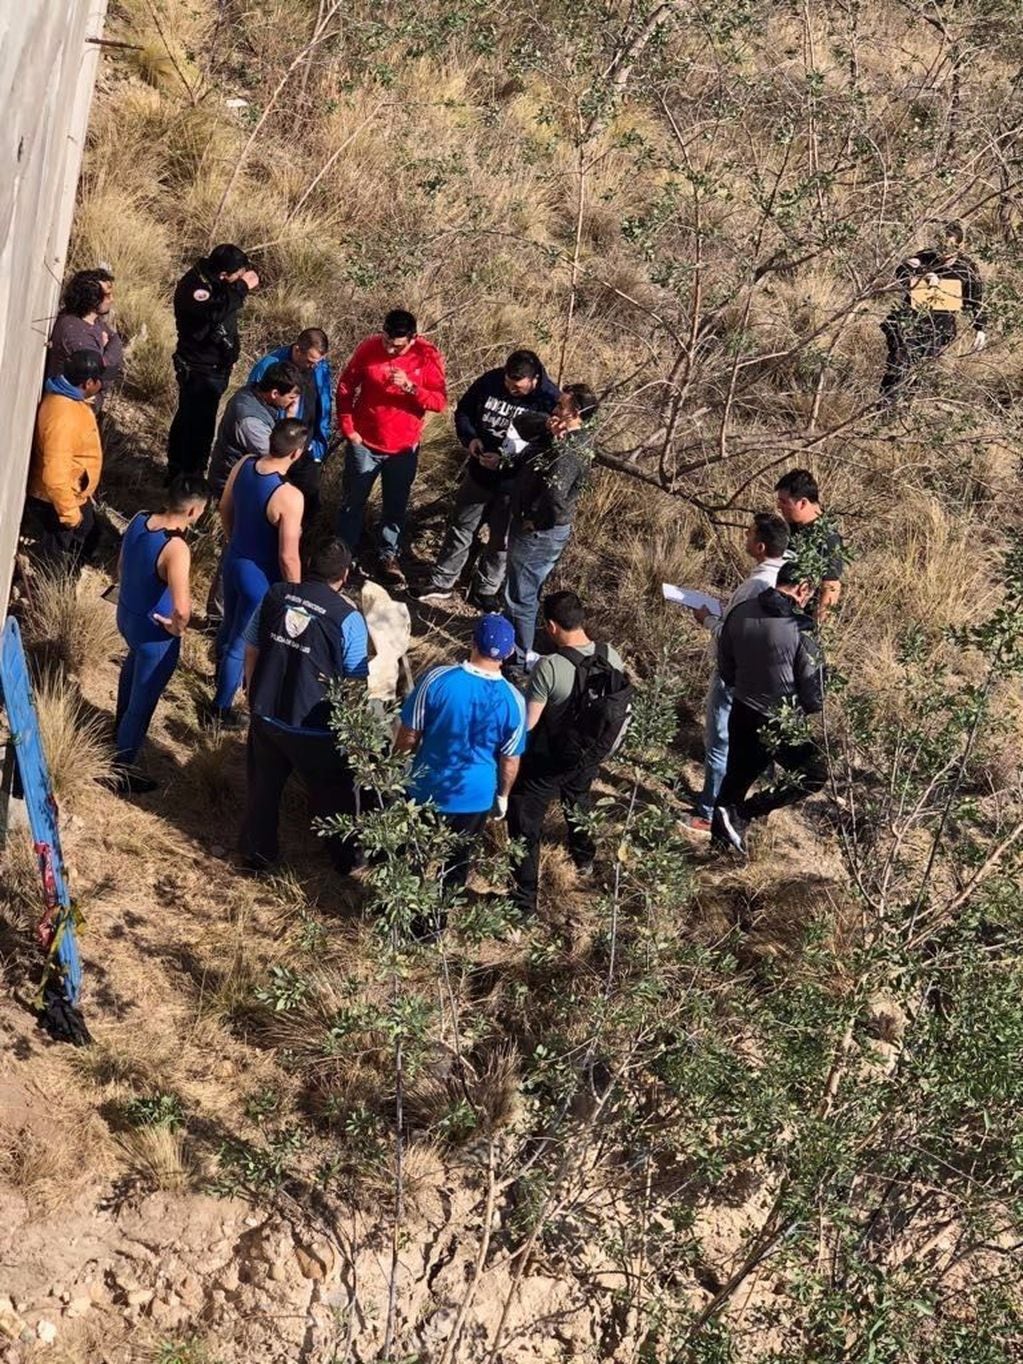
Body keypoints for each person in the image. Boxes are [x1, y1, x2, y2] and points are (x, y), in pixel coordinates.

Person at [240, 538, 370, 874]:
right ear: (344, 576)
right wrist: (353, 734)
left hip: (266, 712)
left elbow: (251, 647)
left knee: (264, 789)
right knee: (333, 795)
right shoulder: (348, 619)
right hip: (314, 726)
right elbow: (355, 682)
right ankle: (344, 859)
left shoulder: (276, 594)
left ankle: (257, 854)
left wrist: (251, 694)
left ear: (309, 561)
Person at [395, 614, 526, 934]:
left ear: (472, 642)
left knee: (413, 854)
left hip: (425, 789)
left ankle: (404, 919)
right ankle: (435, 926)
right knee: (456, 863)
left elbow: (408, 735)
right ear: (508, 654)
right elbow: (510, 760)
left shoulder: (437, 679)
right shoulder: (514, 700)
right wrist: (503, 796)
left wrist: (397, 769)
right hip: (475, 797)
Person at [507, 591, 629, 915]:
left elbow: (529, 724)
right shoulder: (611, 655)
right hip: (590, 754)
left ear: (550, 626)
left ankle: (523, 901)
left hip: (550, 760)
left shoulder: (550, 667)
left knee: (525, 821)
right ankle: (584, 857)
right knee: (578, 801)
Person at [414, 350, 560, 611]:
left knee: (501, 539)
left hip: (515, 485)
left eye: (517, 387)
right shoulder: (490, 381)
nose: (510, 389)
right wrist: (470, 439)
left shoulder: (549, 400)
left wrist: (508, 461)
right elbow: (464, 411)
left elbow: (547, 450)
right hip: (479, 473)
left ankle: (485, 590)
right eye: (507, 383)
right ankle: (442, 581)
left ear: (534, 379)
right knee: (461, 525)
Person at [712, 562, 827, 855]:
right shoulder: (802, 631)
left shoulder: (739, 612)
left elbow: (726, 668)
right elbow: (813, 699)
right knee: (813, 774)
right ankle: (746, 814)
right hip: (779, 720)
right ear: (803, 589)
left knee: (735, 779)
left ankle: (721, 847)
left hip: (742, 708)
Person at [685, 512, 790, 830]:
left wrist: (707, 619)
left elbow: (732, 637)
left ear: (759, 546)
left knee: (719, 741)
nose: (744, 537)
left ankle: (707, 812)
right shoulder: (787, 577)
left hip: (734, 674)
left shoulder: (754, 586)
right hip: (766, 679)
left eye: (748, 534)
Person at [111, 477, 210, 794]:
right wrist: (176, 628)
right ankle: (121, 769)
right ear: (193, 510)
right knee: (144, 701)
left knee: (131, 670)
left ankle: (117, 735)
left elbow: (122, 565)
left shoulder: (140, 519)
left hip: (127, 616)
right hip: (155, 633)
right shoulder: (176, 547)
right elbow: (182, 608)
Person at [335, 309, 447, 588]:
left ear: (412, 338)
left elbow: (439, 402)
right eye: (387, 341)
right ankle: (342, 558)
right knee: (352, 502)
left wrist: (411, 388)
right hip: (365, 443)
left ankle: (388, 556)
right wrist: (349, 428)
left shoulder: (427, 356)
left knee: (395, 505)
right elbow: (347, 387)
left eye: (397, 345)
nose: (390, 348)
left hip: (402, 448)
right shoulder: (369, 348)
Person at [208, 419, 306, 727]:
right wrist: (296, 593)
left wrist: (232, 539)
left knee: (228, 625)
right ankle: (219, 711)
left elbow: (225, 506)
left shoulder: (245, 464)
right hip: (260, 575)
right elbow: (288, 554)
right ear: (297, 453)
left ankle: (219, 677)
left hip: (235, 558)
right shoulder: (288, 496)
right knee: (243, 641)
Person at [504, 383, 599, 669]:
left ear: (577, 414)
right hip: (542, 529)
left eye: (561, 407)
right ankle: (520, 641)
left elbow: (556, 499)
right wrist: (547, 424)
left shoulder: (569, 452)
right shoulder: (560, 435)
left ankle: (517, 659)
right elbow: (520, 423)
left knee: (520, 593)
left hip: (539, 532)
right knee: (527, 589)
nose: (555, 409)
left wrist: (535, 522)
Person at [167, 243, 260, 480]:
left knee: (193, 419)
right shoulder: (196, 288)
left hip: (215, 366)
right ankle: (188, 475)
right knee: (197, 425)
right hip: (200, 370)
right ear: (223, 275)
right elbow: (214, 312)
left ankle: (182, 469)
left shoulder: (215, 283)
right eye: (236, 275)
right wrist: (241, 287)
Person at [879, 220, 985, 401]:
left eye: (951, 246)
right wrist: (924, 272)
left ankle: (905, 409)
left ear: (961, 245)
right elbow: (903, 269)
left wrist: (980, 328)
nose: (945, 251)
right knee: (900, 360)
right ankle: (885, 408)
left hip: (939, 327)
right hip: (909, 321)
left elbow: (975, 298)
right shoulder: (925, 257)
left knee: (921, 368)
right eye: (942, 245)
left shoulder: (966, 268)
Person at [24, 349, 105, 574]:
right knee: (54, 560)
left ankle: (70, 574)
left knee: (89, 533)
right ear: (88, 382)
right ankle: (51, 597)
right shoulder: (64, 416)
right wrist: (69, 514)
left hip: (74, 491)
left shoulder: (69, 399)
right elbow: (55, 475)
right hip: (57, 501)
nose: (102, 384)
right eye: (99, 380)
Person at [249, 329, 332, 524]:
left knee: (307, 505)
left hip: (307, 449)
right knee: (270, 505)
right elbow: (255, 406)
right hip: (277, 449)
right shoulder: (269, 366)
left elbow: (325, 406)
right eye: (310, 361)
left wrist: (319, 446)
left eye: (318, 362)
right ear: (297, 350)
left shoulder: (320, 368)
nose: (313, 366)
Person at [208, 362, 304, 497]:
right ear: (275, 393)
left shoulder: (252, 392)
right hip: (231, 489)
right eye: (291, 398)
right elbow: (277, 456)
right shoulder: (251, 421)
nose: (294, 403)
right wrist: (290, 419)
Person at [774, 468, 844, 624]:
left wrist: (819, 632)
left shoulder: (828, 539)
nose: (780, 507)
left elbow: (830, 586)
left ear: (803, 503)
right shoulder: (792, 527)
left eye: (784, 502)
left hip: (798, 623)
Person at [46, 268, 123, 400]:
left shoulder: (89, 319)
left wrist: (106, 354)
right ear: (93, 299)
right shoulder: (78, 338)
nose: (112, 300)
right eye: (108, 295)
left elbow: (115, 339)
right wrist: (109, 362)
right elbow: (100, 380)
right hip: (73, 405)